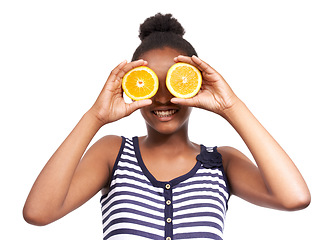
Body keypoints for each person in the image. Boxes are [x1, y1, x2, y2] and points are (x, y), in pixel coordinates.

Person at [23, 13, 311, 240]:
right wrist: (95, 116)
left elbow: (294, 197)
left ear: (195, 83)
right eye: (150, 84)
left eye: (174, 82)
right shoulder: (112, 152)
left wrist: (231, 106)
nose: (162, 97)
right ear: (132, 87)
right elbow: (38, 213)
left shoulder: (222, 162)